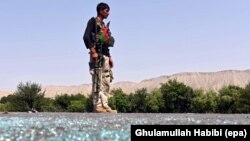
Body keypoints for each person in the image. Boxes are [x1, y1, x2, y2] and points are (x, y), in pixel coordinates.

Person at [83, 2, 117, 113]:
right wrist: (93, 51)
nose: (108, 13)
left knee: (106, 80)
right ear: (101, 11)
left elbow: (105, 44)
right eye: (107, 10)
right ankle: (97, 106)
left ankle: (105, 105)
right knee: (97, 81)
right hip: (96, 56)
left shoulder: (103, 26)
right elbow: (86, 36)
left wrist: (110, 56)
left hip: (105, 56)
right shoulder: (93, 21)